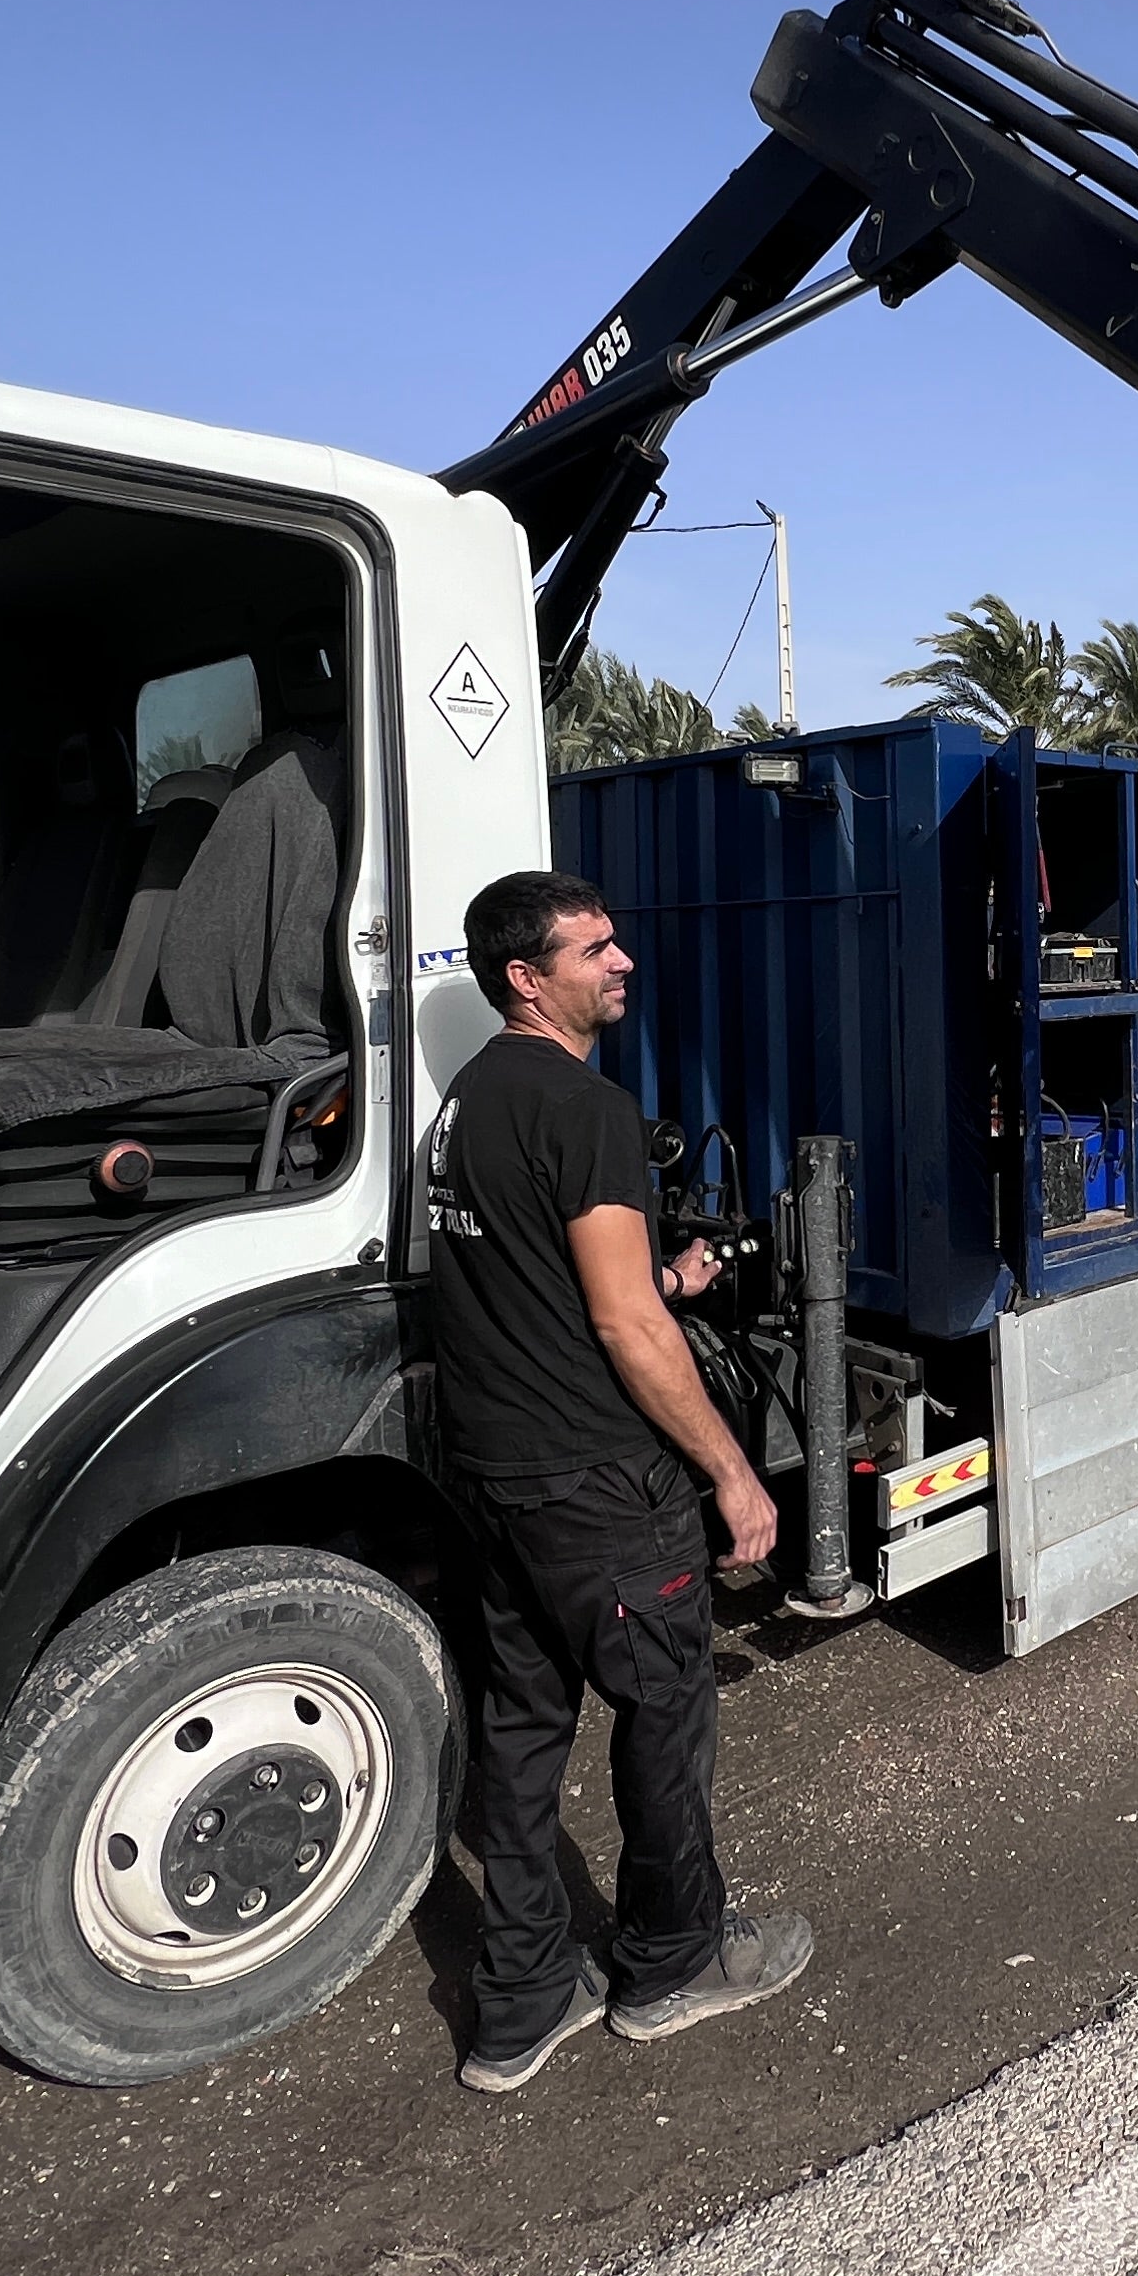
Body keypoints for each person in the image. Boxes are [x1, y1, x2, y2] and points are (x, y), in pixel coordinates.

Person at [425, 868, 816, 2092]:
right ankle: (670, 1964)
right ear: (525, 980)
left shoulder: (467, 1101)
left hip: (492, 1477)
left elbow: (555, 1281)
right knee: (664, 1715)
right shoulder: (583, 1110)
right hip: (598, 1485)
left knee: (524, 1731)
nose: (622, 964)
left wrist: (671, 1280)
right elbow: (623, 1332)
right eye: (595, 951)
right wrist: (735, 1475)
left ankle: (522, 2000)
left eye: (616, 945)